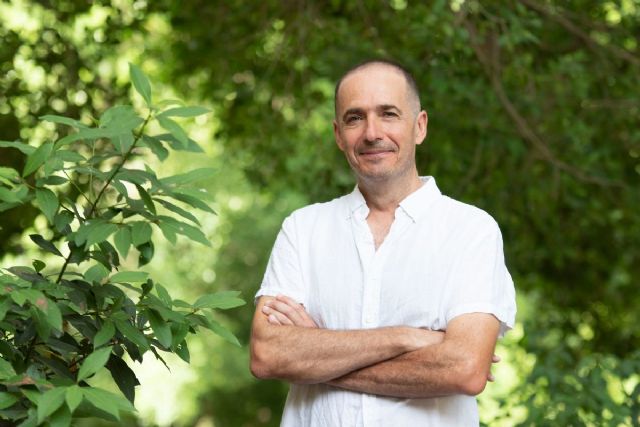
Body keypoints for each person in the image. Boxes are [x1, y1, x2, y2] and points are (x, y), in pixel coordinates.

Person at [250, 59, 517, 426]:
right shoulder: (303, 229)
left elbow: (464, 369)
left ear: (419, 126)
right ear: (338, 134)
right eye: (354, 118)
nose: (372, 132)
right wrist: (407, 338)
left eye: (388, 114)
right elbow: (267, 354)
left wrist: (316, 356)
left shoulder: (471, 230)